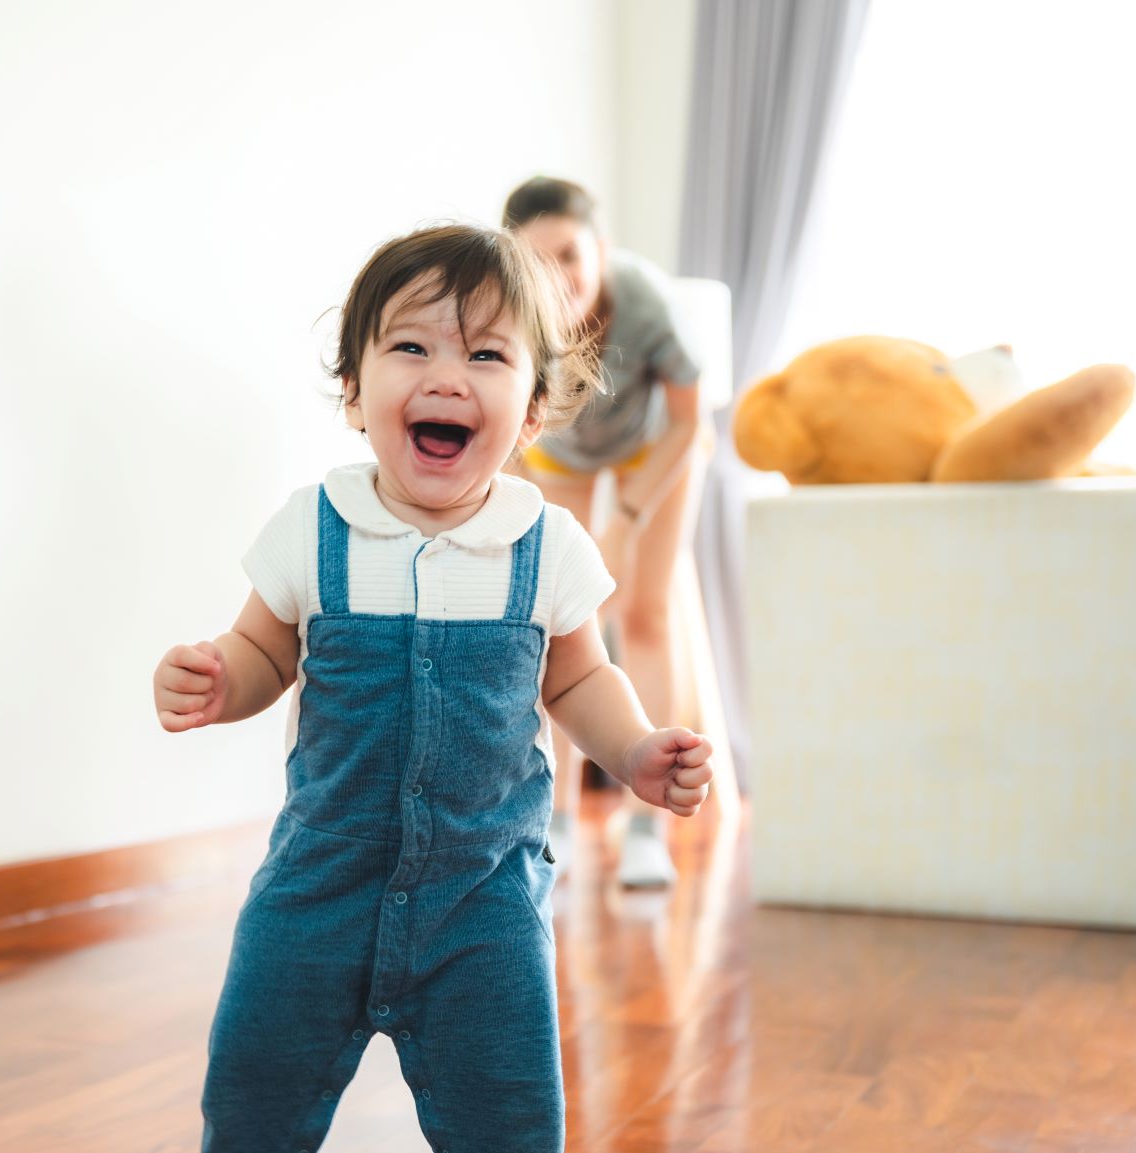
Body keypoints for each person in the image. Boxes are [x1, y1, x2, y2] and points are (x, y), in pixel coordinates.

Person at [152, 223, 716, 1152]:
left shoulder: (546, 547)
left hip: (481, 906)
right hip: (313, 896)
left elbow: (579, 675)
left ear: (532, 408)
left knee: (510, 1118)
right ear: (353, 390)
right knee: (252, 1103)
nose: (446, 377)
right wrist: (220, 677)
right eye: (410, 346)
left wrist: (634, 750)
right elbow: (263, 648)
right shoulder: (313, 527)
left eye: (486, 354)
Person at [504, 176, 708, 888]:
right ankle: (552, 824)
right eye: (536, 262)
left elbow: (691, 420)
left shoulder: (647, 304)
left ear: (601, 250)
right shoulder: (506, 309)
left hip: (654, 447)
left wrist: (626, 516)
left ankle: (647, 828)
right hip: (555, 451)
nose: (556, 279)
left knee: (643, 616)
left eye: (568, 255)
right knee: (559, 624)